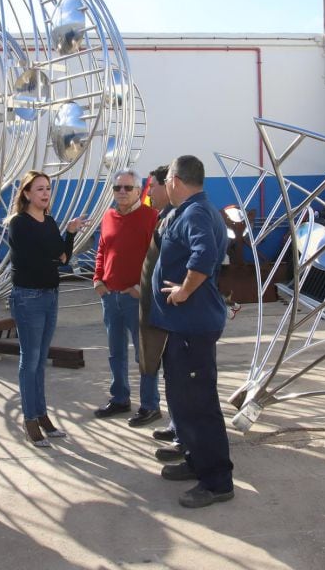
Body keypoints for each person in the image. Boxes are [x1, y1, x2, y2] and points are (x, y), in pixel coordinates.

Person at [150, 155, 234, 509]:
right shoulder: (190, 211)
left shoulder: (196, 213)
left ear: (175, 180)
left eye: (167, 178)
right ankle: (194, 459)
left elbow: (204, 254)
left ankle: (216, 481)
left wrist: (184, 290)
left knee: (200, 403)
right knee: (183, 398)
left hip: (193, 325)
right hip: (182, 326)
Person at [6, 170, 85, 447]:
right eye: (39, 189)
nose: (45, 193)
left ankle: (41, 415)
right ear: (26, 193)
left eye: (47, 189)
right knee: (30, 361)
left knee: (40, 361)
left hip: (51, 295)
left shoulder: (49, 222)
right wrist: (55, 253)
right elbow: (36, 257)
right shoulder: (19, 223)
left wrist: (70, 234)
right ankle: (30, 419)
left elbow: (63, 257)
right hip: (28, 297)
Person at [92, 169, 161, 425]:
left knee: (143, 353)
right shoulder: (108, 217)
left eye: (127, 188)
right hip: (110, 297)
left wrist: (140, 289)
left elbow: (157, 260)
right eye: (117, 188)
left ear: (138, 191)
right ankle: (120, 399)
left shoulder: (151, 217)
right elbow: (102, 250)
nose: (121, 192)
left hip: (136, 299)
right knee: (115, 353)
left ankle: (150, 405)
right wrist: (98, 280)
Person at [138, 165, 184, 461]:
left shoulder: (181, 219)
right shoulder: (165, 217)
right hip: (161, 311)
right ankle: (176, 425)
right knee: (171, 374)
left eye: (152, 186)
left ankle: (184, 438)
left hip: (176, 313)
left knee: (182, 377)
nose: (149, 192)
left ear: (169, 186)